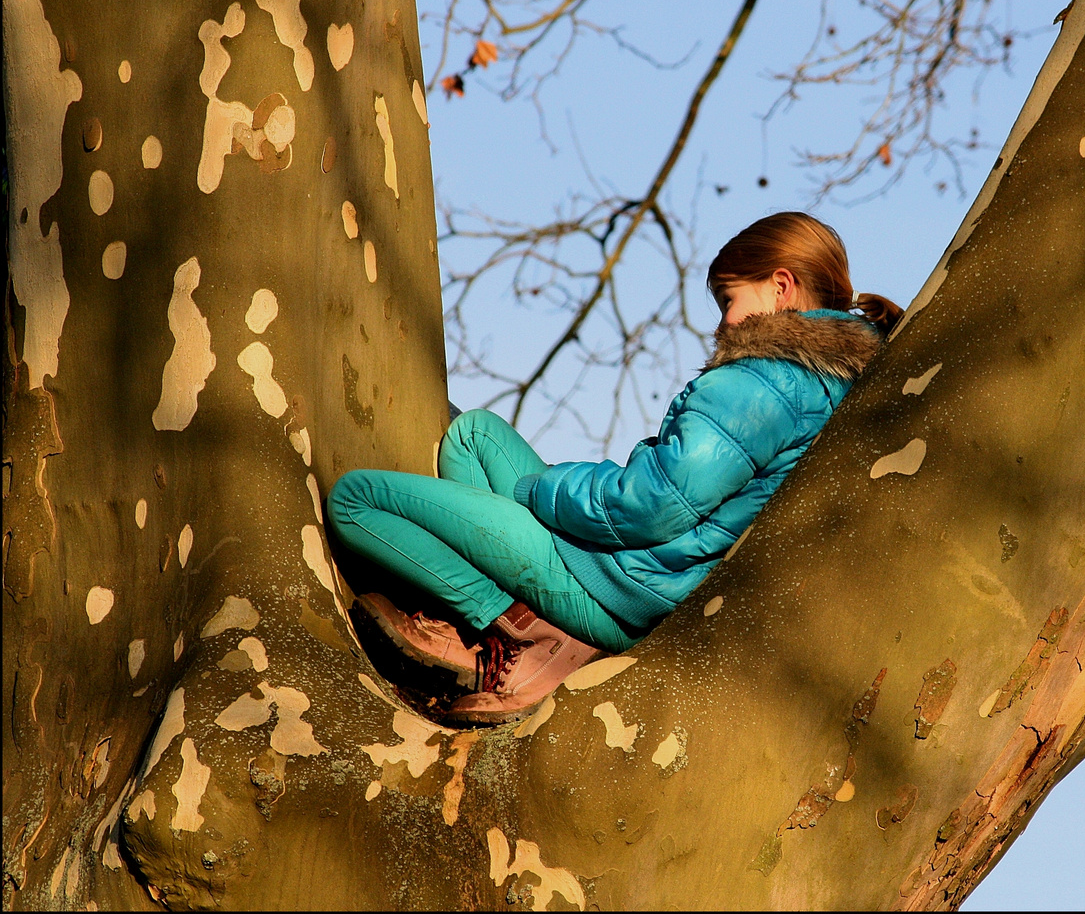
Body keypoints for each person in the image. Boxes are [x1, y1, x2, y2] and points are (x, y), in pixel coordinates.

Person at [327, 212, 902, 724]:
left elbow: (651, 504)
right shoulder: (824, 386)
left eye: (729, 300)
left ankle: (512, 631)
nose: (722, 324)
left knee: (356, 502)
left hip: (613, 581)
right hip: (640, 573)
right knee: (475, 436)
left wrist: (539, 491)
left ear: (780, 285)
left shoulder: (764, 380)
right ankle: (527, 629)